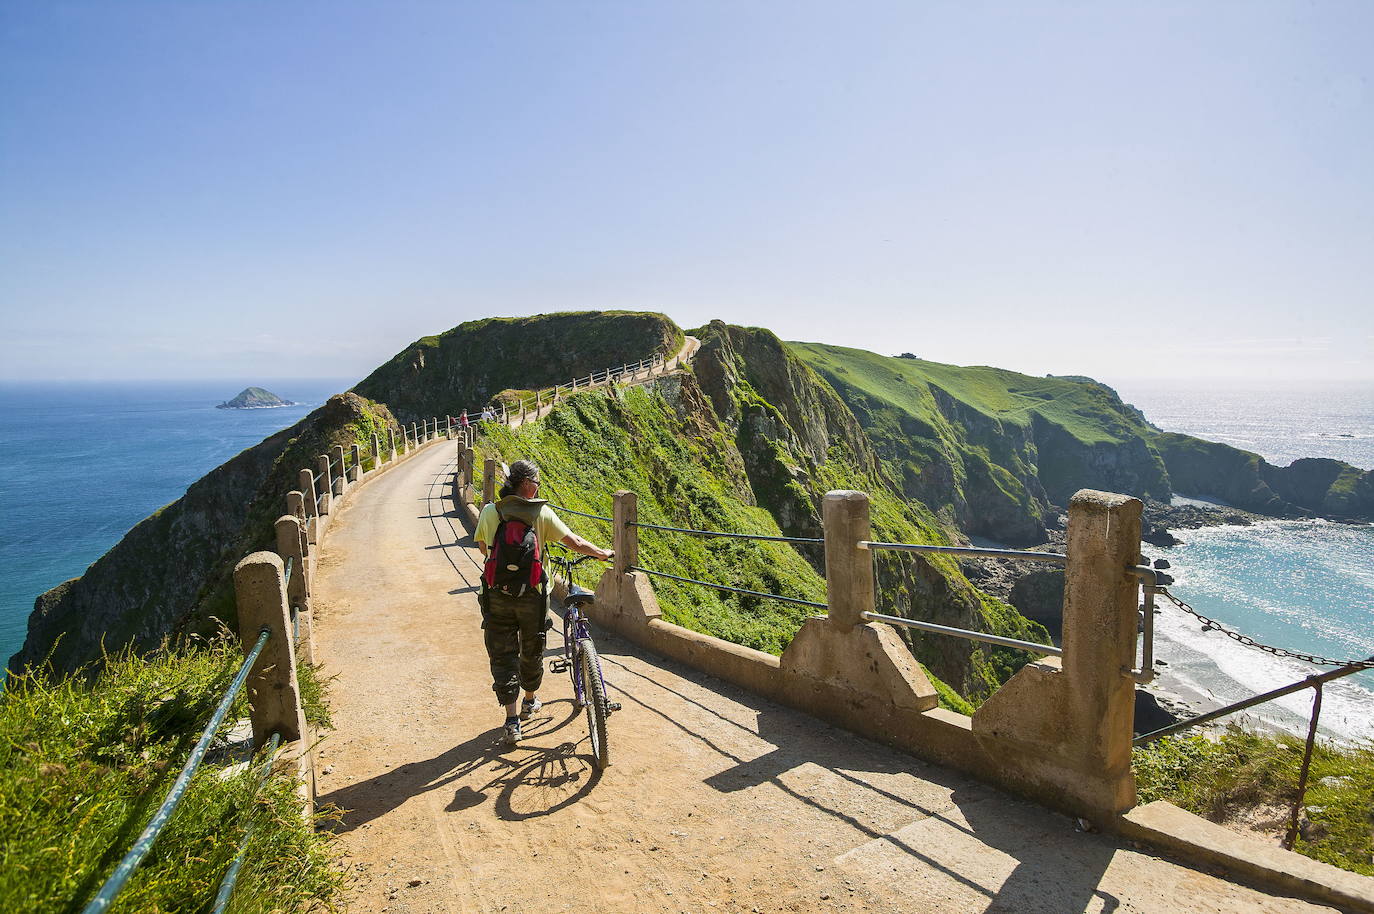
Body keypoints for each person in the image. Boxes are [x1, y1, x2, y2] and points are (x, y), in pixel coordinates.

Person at [474, 459, 612, 745]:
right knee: (531, 647)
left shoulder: (490, 511)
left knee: (502, 653)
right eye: (536, 483)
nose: (538, 488)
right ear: (526, 485)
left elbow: (483, 548)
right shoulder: (541, 513)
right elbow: (573, 541)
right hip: (533, 595)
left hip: (496, 593)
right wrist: (600, 553)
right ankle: (529, 700)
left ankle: (511, 721)